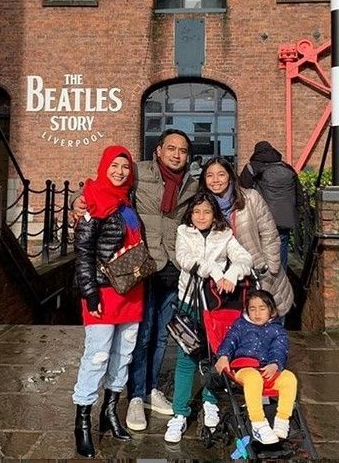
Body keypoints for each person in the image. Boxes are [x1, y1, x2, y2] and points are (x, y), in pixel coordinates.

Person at [72, 129, 198, 431]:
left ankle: (151, 388)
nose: (176, 154)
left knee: (162, 335)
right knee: (140, 337)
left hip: (174, 266)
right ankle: (136, 396)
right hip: (141, 267)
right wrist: (79, 201)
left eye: (182, 150)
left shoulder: (193, 184)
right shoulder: (138, 172)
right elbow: (103, 186)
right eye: (171, 148)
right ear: (159, 151)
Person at [72, 145, 144, 458]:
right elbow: (84, 253)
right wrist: (89, 292)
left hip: (131, 290)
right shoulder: (93, 200)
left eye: (125, 167)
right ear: (104, 167)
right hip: (103, 291)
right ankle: (83, 420)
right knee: (97, 355)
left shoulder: (128, 202)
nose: (120, 171)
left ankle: (110, 411)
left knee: (123, 353)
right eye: (114, 166)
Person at [164, 192, 254, 443]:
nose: (201, 216)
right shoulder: (184, 232)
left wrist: (233, 273)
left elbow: (245, 259)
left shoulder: (224, 235)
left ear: (215, 215)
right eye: (197, 212)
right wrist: (216, 270)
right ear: (190, 214)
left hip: (215, 304)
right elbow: (185, 259)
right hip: (190, 302)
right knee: (187, 356)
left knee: (216, 353)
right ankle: (180, 413)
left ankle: (210, 401)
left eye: (207, 212)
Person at [199, 156, 294, 320]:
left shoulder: (251, 198)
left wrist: (270, 268)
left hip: (259, 275)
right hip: (222, 282)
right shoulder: (202, 206)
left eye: (221, 174)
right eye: (210, 175)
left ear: (230, 176)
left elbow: (270, 234)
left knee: (268, 329)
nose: (215, 180)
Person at [215, 290, 297, 445]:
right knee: (253, 378)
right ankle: (258, 423)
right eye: (252, 309)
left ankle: (282, 420)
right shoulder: (240, 325)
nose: (257, 313)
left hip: (267, 369)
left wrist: (275, 364)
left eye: (262, 308)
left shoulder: (277, 330)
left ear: (271, 310)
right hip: (244, 369)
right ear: (247, 310)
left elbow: (279, 349)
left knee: (289, 378)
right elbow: (230, 340)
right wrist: (224, 355)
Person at [239, 140, 303, 271]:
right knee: (281, 248)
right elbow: (299, 195)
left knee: (259, 248)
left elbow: (241, 192)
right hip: (284, 219)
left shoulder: (251, 168)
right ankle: (281, 278)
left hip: (261, 219)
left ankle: (262, 280)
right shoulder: (286, 167)